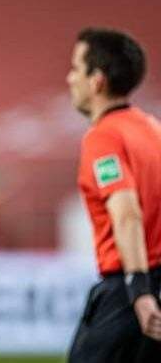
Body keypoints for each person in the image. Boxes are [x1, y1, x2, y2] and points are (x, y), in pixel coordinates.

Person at [67, 27, 161, 362]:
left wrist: (139, 289)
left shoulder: (104, 137)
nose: (70, 78)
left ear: (97, 81)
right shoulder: (152, 130)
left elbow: (126, 211)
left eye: (76, 68)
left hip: (130, 292)